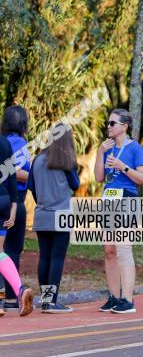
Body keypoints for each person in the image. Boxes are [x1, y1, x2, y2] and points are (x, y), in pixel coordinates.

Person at [93, 109, 143, 314]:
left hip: (127, 198)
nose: (108, 126)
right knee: (109, 250)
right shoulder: (106, 148)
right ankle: (114, 297)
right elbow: (99, 177)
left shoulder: (135, 149)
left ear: (124, 126)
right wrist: (100, 153)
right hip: (109, 199)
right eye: (107, 123)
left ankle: (128, 300)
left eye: (112, 123)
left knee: (124, 249)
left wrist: (123, 167)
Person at [28, 123, 79, 313]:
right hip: (62, 215)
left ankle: (46, 300)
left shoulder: (38, 160)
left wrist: (42, 201)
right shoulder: (66, 161)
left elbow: (31, 187)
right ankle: (51, 302)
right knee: (57, 258)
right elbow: (75, 184)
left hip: (42, 215)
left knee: (45, 257)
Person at [0, 132, 33, 317]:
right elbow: (12, 175)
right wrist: (13, 205)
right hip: (4, 199)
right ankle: (20, 290)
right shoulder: (4, 142)